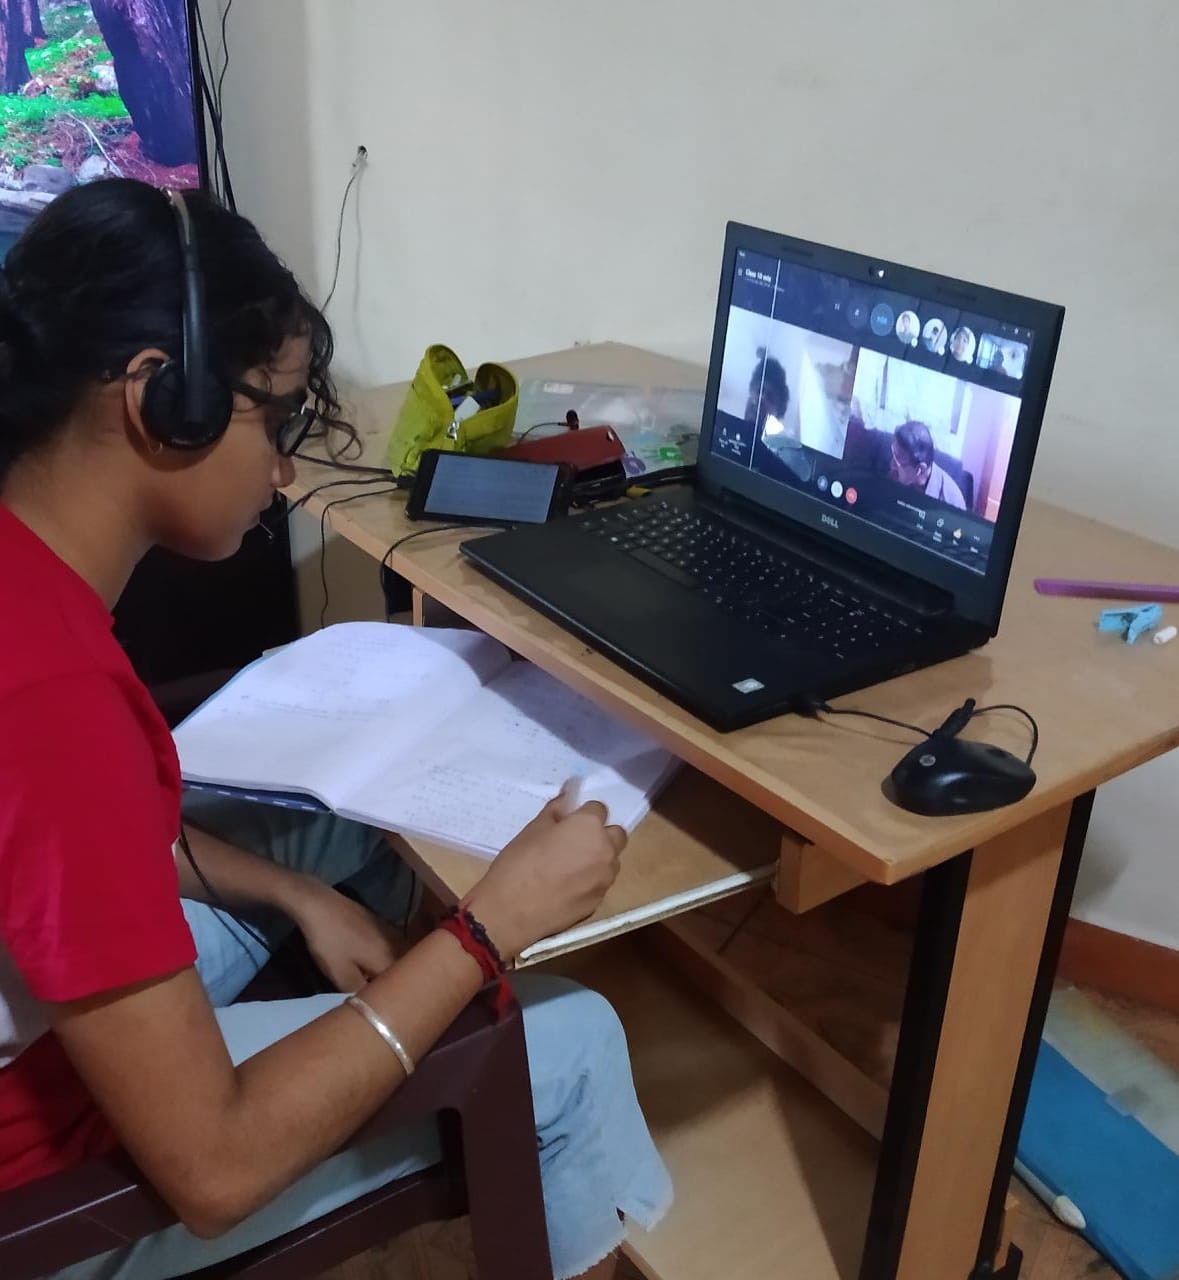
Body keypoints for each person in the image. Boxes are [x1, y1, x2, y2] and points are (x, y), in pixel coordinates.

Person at [0, 180, 671, 1280]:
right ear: (159, 396)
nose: (283, 469)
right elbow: (214, 1169)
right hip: (52, 1188)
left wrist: (296, 893)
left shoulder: (27, 581)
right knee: (577, 1044)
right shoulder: (52, 701)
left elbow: (63, 850)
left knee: (338, 826)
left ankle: (366, 1014)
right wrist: (485, 930)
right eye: (275, 418)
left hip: (55, 1025)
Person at [889, 420, 967, 510]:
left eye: (899, 461)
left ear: (920, 469)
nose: (892, 465)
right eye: (893, 453)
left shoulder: (952, 502)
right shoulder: (892, 472)